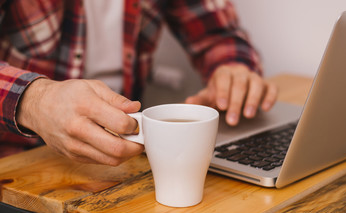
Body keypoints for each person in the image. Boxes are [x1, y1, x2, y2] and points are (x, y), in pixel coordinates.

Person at [0, 0, 277, 165]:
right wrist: (34, 101)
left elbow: (217, 32)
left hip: (123, 156)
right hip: (14, 166)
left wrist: (233, 69)